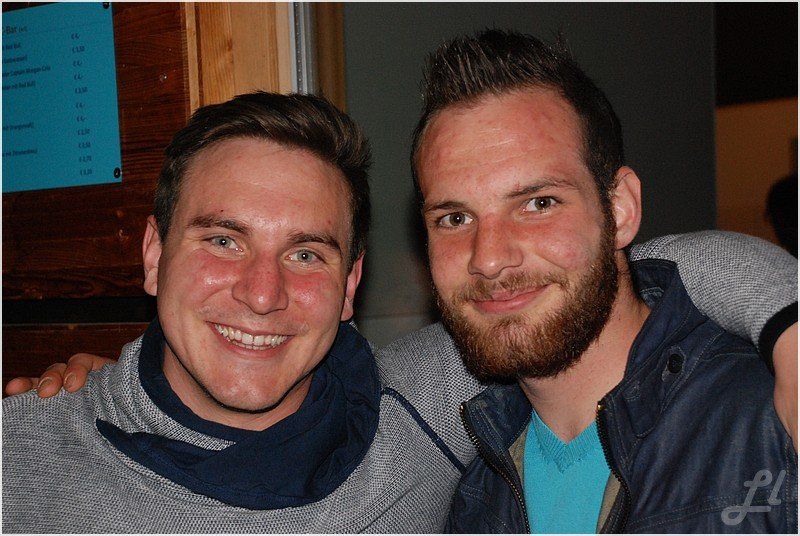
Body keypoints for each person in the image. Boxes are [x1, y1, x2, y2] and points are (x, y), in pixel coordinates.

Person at [5, 41, 797, 533]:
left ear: (351, 284)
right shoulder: (26, 451)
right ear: (152, 256)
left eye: (538, 203)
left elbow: (640, 272)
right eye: (222, 240)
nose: (260, 292)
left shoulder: (411, 418)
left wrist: (789, 321)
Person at [406, 30, 796, 532]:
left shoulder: (771, 425)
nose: (490, 259)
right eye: (455, 218)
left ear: (620, 210)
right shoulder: (462, 492)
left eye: (538, 204)